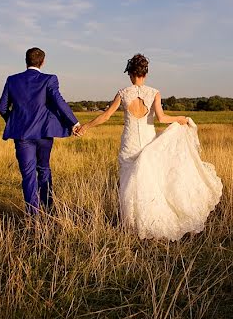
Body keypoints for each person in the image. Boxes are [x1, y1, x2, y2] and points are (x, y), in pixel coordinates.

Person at [77, 54, 222, 241]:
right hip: (147, 142)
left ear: (130, 74)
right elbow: (161, 118)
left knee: (128, 182)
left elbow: (105, 116)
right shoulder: (154, 92)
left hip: (129, 143)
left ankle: (132, 225)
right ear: (145, 74)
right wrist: (180, 119)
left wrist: (85, 127)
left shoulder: (123, 93)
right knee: (149, 182)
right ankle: (149, 223)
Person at [0, 47, 80, 216]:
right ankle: (48, 207)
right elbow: (59, 101)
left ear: (26, 61)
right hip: (44, 134)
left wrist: (14, 122)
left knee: (28, 174)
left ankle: (33, 216)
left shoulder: (12, 80)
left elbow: (2, 108)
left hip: (22, 136)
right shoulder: (49, 79)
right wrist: (74, 123)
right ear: (43, 62)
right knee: (43, 169)